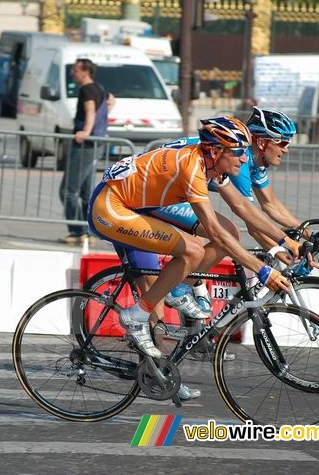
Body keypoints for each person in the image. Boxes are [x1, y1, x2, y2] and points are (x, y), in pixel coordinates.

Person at [88, 116, 294, 362]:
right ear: (217, 151)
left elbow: (239, 205)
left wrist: (286, 241)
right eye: (238, 152)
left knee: (193, 251)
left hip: (136, 203)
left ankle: (162, 373)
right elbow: (217, 233)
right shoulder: (192, 168)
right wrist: (263, 271)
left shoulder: (213, 164)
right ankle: (139, 318)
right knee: (187, 256)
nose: (243, 157)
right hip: (111, 209)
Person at [59, 58, 113, 245]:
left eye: (75, 69)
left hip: (85, 146)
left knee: (67, 190)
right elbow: (111, 102)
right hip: (96, 144)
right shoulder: (100, 88)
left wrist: (86, 132)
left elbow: (90, 110)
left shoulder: (87, 90)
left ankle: (77, 231)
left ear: (85, 72)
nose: (72, 73)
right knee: (85, 191)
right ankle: (87, 233)